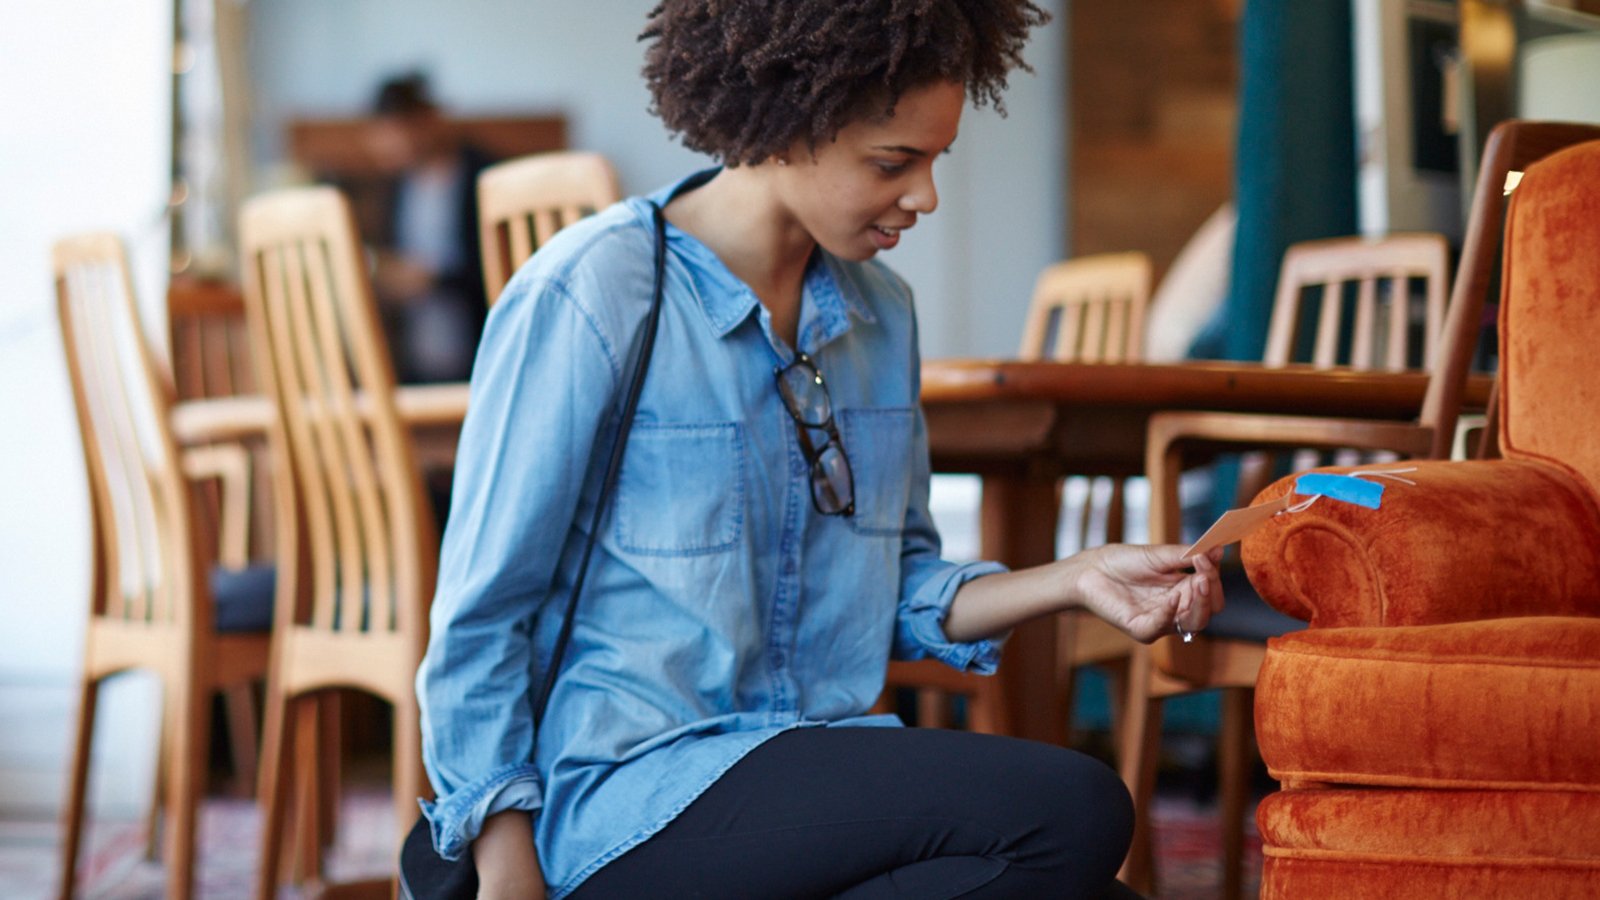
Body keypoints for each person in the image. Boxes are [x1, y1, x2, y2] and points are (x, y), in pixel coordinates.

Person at [415, 2, 1223, 898]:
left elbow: (900, 586)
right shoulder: (593, 292)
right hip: (625, 796)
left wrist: (1075, 579)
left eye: (935, 159)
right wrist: (505, 866)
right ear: (786, 119)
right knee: (1073, 809)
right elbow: (482, 616)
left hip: (801, 782)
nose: (925, 197)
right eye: (893, 162)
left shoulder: (881, 313)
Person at [366, 71, 491, 384]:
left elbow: (503, 269)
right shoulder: (397, 187)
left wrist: (433, 280)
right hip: (417, 363)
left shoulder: (486, 178)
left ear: (427, 120)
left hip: (481, 356)